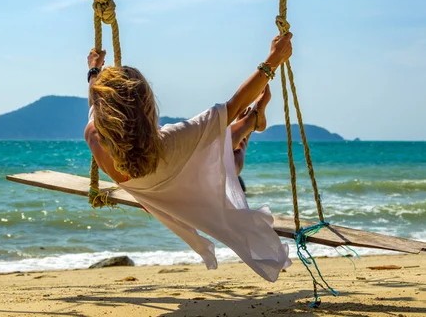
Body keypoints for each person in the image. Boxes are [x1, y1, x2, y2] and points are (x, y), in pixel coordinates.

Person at [84, 33, 293, 282]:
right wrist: (274, 59)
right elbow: (233, 106)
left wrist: (94, 71)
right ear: (147, 108)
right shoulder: (173, 141)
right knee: (221, 154)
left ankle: (251, 123)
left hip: (157, 195)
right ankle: (251, 123)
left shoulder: (94, 137)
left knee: (217, 156)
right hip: (173, 171)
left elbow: (97, 102)